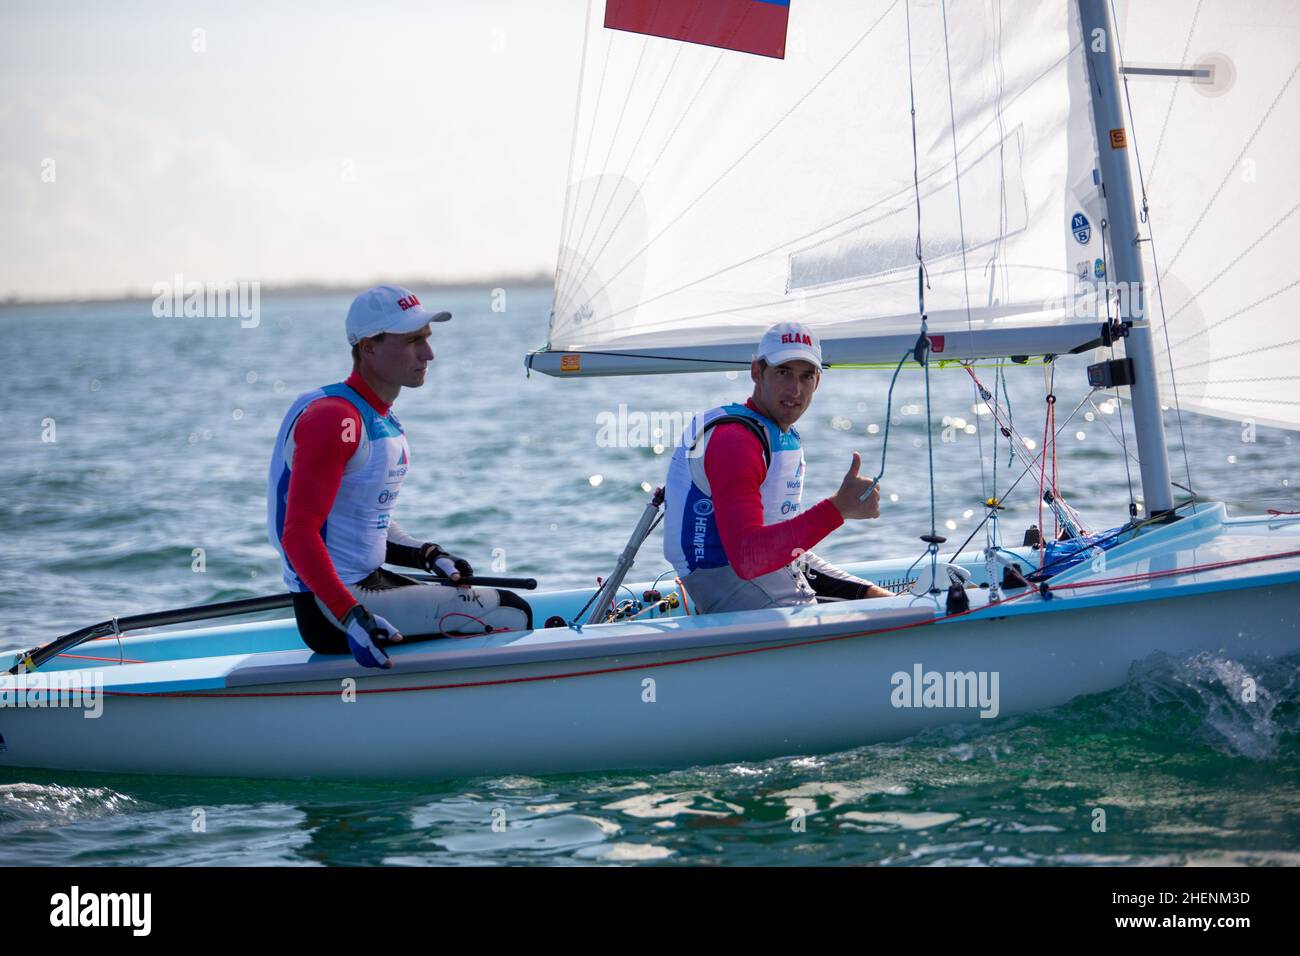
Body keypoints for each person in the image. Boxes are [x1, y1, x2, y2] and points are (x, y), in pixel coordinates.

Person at [267, 284, 532, 669]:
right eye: (412, 341)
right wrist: (351, 616)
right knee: (512, 612)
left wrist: (426, 554)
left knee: (486, 601)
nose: (429, 353)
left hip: (363, 584)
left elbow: (359, 522)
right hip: (334, 608)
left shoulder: (373, 414)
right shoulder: (334, 419)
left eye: (426, 338)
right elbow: (299, 535)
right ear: (368, 347)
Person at [663, 321, 892, 613]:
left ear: (817, 382)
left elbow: (782, 552)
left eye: (806, 376)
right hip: (725, 581)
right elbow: (748, 558)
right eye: (783, 372)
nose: (795, 389)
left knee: (888, 603)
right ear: (757, 372)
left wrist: (876, 596)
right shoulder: (734, 442)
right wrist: (837, 509)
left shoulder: (774, 435)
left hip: (770, 572)